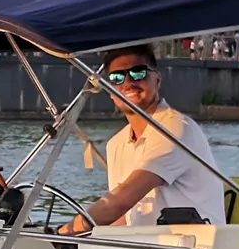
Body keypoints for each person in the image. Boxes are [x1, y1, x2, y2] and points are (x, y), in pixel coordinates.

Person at [58, 44, 226, 232]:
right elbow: (123, 216)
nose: (128, 83)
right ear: (111, 91)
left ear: (157, 80)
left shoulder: (176, 128)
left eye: (138, 73)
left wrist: (64, 232)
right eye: (117, 78)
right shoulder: (116, 144)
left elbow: (120, 201)